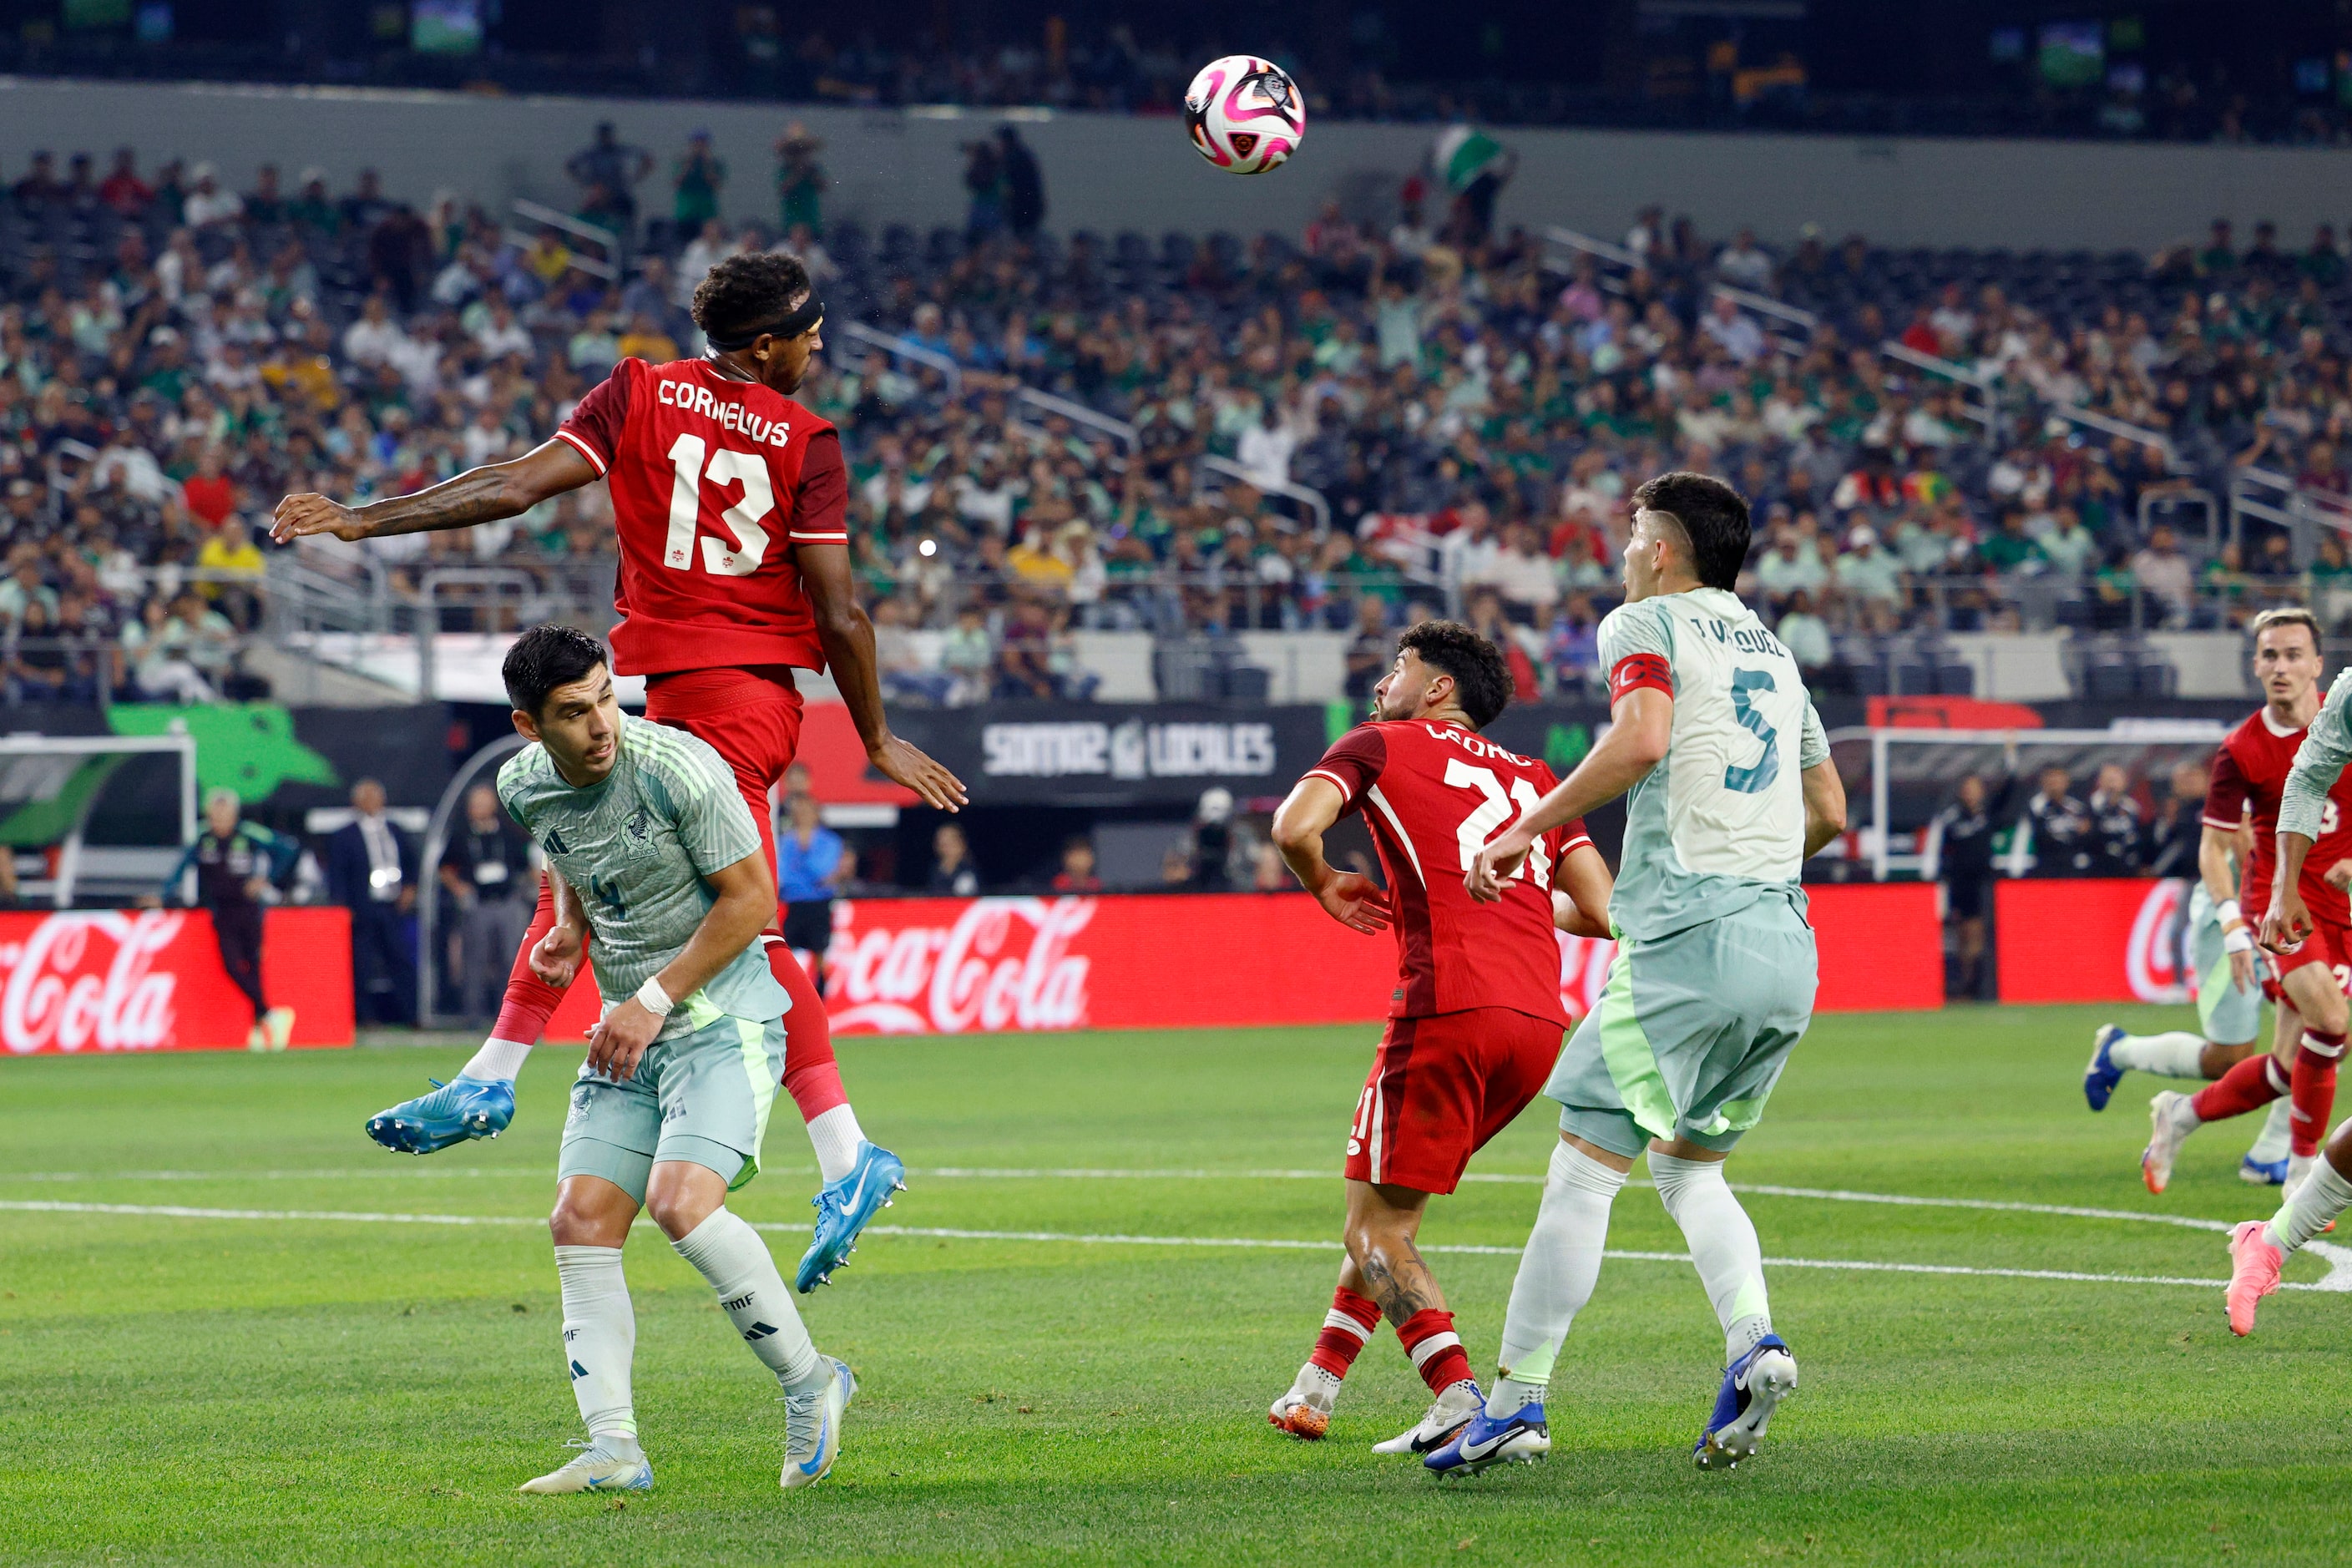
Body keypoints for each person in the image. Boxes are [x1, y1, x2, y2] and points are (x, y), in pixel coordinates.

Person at [274, 249, 965, 1292]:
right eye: (810, 332)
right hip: (730, 696)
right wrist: (870, 733)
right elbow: (841, 613)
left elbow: (510, 487)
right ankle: (501, 1080)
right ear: (766, 344)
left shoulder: (636, 392)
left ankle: (832, 1150)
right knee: (600, 874)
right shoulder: (808, 441)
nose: (820, 347)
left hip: (707, 697)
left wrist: (363, 518)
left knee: (739, 916)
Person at [1436, 472, 1846, 1477]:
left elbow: (1643, 738)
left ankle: (1517, 1404)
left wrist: (1522, 827)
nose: (1622, 554)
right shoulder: (1779, 654)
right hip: (1786, 942)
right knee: (1686, 1165)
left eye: (1630, 535)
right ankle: (1754, 1341)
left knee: (1581, 1172)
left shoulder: (1643, 623)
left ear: (1664, 551)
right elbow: (1829, 812)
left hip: (1686, 939)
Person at [489, 627, 855, 1493]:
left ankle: (813, 1382)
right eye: (574, 714)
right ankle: (613, 1447)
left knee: (680, 1204)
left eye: (607, 698)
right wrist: (570, 929)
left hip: (717, 1015)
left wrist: (649, 1003)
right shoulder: (521, 785)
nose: (601, 725)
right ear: (528, 727)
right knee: (577, 1221)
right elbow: (564, 848)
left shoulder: (680, 767)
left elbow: (753, 900)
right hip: (631, 1026)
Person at [1264, 620, 1613, 1450]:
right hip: (1535, 1028)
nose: (1385, 680)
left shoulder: (1382, 744)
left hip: (1449, 1008)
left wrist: (1322, 880)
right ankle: (1315, 1388)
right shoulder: (1539, 778)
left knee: (1373, 1229)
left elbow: (1290, 827)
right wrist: (1524, 906)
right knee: (1391, 1212)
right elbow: (1603, 910)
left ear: (1438, 689)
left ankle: (1465, 1400)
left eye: (1400, 665)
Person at [2142, 609, 2350, 1200]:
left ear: (2317, 664)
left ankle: (2179, 1116)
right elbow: (2212, 848)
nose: (2279, 667)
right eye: (2268, 656)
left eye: (2291, 654)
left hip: (2344, 904)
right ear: (2254, 665)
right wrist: (2234, 927)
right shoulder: (2240, 749)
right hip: (2283, 902)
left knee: (2293, 1065)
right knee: (2331, 1023)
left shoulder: (2346, 721)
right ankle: (2302, 1175)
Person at [2227, 642, 2352, 1331]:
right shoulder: (2351, 694)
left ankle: (2267, 1240)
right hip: (2310, 907)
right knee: (2322, 1029)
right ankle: (2268, 1241)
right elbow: (2308, 779)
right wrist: (2280, 890)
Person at [2086, 805, 2289, 1184]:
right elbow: (2242, 833)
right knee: (2227, 1059)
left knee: (2320, 1026)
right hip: (2235, 912)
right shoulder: (2278, 749)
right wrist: (2260, 911)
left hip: (2302, 907)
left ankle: (2272, 1152)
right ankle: (2119, 1050)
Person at [156, 788, 299, 1051]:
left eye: (225, 814)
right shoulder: (201, 838)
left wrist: (265, 880)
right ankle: (271, 1015)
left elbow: (288, 849)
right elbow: (181, 867)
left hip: (249, 912)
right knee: (232, 966)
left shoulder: (249, 833)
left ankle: (260, 1029)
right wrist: (164, 895)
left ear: (234, 815)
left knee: (254, 968)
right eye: (215, 814)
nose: (220, 820)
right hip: (222, 913)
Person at [326, 779, 419, 1026]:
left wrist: (410, 889)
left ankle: (410, 1015)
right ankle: (365, 1017)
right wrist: (344, 907)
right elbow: (337, 874)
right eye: (366, 797)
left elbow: (412, 862)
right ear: (356, 802)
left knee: (400, 960)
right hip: (363, 908)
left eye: (375, 796)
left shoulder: (395, 829)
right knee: (361, 965)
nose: (371, 802)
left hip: (392, 907)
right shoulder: (345, 836)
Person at [443, 784, 534, 1025]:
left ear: (493, 805)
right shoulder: (461, 834)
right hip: (478, 905)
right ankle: (472, 1017)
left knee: (510, 960)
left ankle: (508, 1015)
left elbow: (525, 868)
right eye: (475, 804)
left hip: (506, 903)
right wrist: (459, 888)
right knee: (475, 960)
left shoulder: (508, 833)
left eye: (483, 803)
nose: (479, 809)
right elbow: (445, 869)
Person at [1924, 774, 1996, 1000]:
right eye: (1967, 789)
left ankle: (1973, 983)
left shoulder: (1988, 815)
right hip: (1959, 885)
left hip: (1983, 885)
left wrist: (2010, 757)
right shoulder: (1951, 819)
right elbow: (1940, 853)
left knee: (1977, 933)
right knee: (1963, 935)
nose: (1971, 793)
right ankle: (1968, 983)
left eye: (1975, 788)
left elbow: (2009, 792)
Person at [775, 787, 847, 989]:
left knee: (821, 951)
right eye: (799, 813)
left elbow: (824, 873)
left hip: (820, 904)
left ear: (816, 814)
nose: (803, 817)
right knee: (784, 953)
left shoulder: (830, 842)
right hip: (794, 905)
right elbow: (784, 877)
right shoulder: (787, 842)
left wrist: (804, 853)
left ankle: (822, 993)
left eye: (807, 812)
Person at [2016, 766, 2094, 877]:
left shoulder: (2077, 807)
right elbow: (2034, 835)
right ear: (2043, 782)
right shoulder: (2034, 807)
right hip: (2045, 865)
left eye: (2058, 778)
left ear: (2067, 781)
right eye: (2050, 778)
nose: (2055, 782)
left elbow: (2087, 832)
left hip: (2073, 865)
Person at [997, 126, 1044, 241]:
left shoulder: (1014, 158)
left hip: (1022, 209)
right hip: (1029, 208)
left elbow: (1011, 188)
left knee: (1022, 241)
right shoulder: (1023, 154)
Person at [928, 822, 979, 896]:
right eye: (941, 841)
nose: (945, 846)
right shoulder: (934, 869)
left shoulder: (969, 871)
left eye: (951, 841)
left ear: (962, 844)